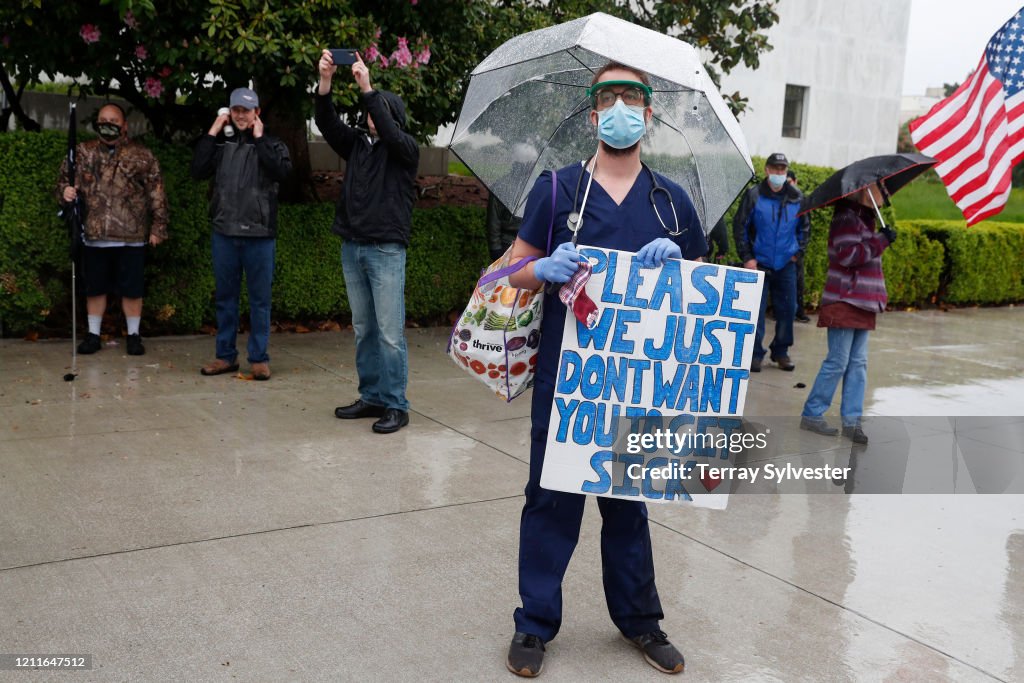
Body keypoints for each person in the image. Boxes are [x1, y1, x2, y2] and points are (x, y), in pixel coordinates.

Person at [503, 62, 707, 678]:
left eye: (633, 97)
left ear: (649, 114)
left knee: (628, 504)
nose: (621, 108)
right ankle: (534, 624)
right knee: (551, 500)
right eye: (609, 97)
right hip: (568, 383)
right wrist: (541, 271)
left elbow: (705, 282)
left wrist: (680, 263)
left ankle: (641, 621)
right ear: (593, 115)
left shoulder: (670, 200)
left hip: (636, 384)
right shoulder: (558, 190)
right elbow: (512, 269)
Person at [316, 49, 419, 434]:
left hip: (386, 250)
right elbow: (326, 123)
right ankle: (372, 396)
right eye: (369, 111)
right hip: (352, 246)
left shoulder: (405, 150)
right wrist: (325, 81)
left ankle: (396, 404)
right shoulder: (358, 145)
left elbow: (391, 133)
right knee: (365, 329)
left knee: (390, 333)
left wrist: (367, 87)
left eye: (379, 111)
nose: (371, 117)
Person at [191, 87, 292, 381]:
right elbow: (197, 170)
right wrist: (214, 129)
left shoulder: (273, 144)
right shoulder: (221, 144)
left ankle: (259, 358)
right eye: (236, 110)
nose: (240, 115)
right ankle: (225, 356)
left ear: (256, 112)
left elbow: (281, 173)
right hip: (224, 231)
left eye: (246, 111)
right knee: (225, 297)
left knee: (260, 299)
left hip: (260, 234)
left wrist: (260, 139)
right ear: (229, 112)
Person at [57, 103, 168, 356]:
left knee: (132, 289)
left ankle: (134, 335)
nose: (108, 124)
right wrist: (65, 192)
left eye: (113, 120)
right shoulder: (82, 153)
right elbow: (63, 181)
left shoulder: (142, 155)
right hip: (95, 236)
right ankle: (93, 335)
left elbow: (157, 193)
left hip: (132, 236)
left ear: (124, 125)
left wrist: (159, 227)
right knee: (94, 288)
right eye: (103, 119)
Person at [800, 183, 895, 445]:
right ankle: (812, 414)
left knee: (858, 364)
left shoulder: (865, 219)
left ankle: (852, 422)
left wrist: (880, 238)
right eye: (881, 188)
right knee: (838, 362)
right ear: (865, 190)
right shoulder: (846, 218)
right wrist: (881, 241)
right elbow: (848, 255)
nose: (885, 194)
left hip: (863, 302)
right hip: (845, 300)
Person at [732, 152, 808, 372]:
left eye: (782, 170)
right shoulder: (754, 195)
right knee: (755, 313)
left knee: (788, 310)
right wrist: (747, 257)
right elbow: (741, 227)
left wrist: (797, 253)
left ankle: (781, 351)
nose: (778, 173)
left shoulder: (797, 197)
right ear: (766, 170)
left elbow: (804, 228)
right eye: (775, 169)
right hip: (759, 264)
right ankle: (755, 354)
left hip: (786, 264)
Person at [788, 169, 811, 323]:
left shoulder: (800, 201)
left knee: (798, 282)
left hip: (794, 251)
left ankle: (799, 311)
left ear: (795, 182)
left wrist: (798, 252)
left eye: (790, 182)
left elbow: (806, 228)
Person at [486, 192, 522, 260]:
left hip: (528, 246)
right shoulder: (502, 188)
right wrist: (495, 248)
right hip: (506, 244)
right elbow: (493, 219)